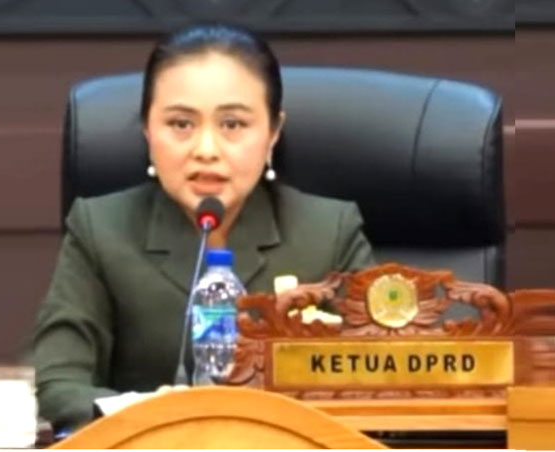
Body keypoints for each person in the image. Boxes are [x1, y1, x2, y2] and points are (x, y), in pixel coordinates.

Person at [31, 22, 375, 432]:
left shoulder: (329, 232)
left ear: (273, 133)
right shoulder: (101, 229)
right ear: (147, 130)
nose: (206, 150)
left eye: (232, 124)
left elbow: (378, 381)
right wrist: (154, 415)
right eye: (181, 124)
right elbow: (58, 384)